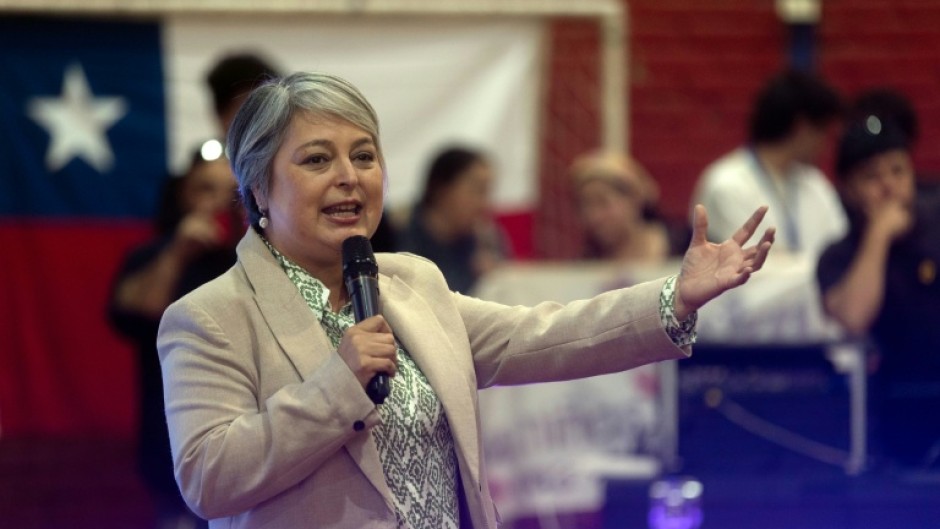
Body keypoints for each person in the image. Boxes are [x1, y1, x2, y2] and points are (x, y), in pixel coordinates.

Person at [156, 72, 774, 529]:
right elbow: (209, 479)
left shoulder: (410, 282)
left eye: (365, 156)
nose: (350, 176)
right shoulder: (209, 316)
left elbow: (543, 334)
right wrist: (335, 387)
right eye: (317, 159)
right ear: (259, 186)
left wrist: (675, 297)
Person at [109, 146, 239, 529]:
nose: (219, 202)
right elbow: (139, 311)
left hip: (247, 442)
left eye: (231, 191)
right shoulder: (152, 256)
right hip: (169, 445)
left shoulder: (257, 261)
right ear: (183, 193)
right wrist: (179, 252)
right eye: (206, 189)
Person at [817, 114, 940, 469]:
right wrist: (880, 235)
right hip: (893, 416)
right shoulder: (840, 256)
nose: (889, 186)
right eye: (872, 177)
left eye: (898, 171)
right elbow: (854, 316)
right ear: (849, 189)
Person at [691, 69, 846, 258]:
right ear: (802, 127)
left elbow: (840, 253)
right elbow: (751, 268)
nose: (825, 144)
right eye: (823, 132)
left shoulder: (815, 182)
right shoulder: (727, 185)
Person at [399, 146, 508, 293]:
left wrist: (494, 279)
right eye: (477, 190)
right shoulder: (397, 234)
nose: (484, 204)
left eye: (488, 192)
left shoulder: (486, 240)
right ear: (442, 189)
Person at [570, 150, 688, 262]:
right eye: (585, 206)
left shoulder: (682, 246)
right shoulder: (588, 262)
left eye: (602, 202)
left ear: (634, 199)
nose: (594, 216)